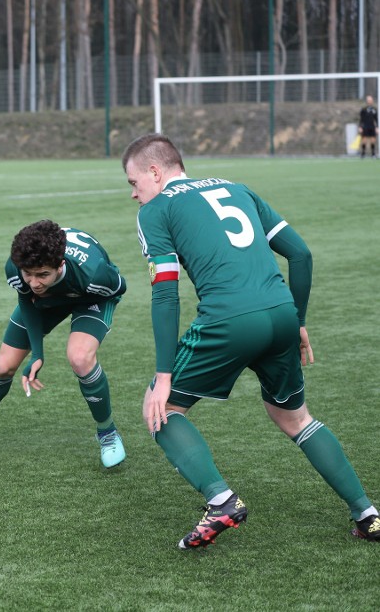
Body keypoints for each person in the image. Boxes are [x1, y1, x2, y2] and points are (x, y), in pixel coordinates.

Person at [122, 133, 379, 548]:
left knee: (161, 407)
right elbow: (300, 254)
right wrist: (298, 321)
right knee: (295, 418)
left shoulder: (157, 210)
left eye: (134, 183)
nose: (134, 195)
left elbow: (165, 292)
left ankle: (221, 500)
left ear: (155, 171)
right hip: (280, 313)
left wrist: (163, 373)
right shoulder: (237, 188)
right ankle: (367, 513)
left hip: (228, 320)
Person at [0, 220, 128, 467]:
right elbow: (27, 300)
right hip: (50, 298)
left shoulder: (95, 274)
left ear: (60, 264)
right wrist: (37, 353)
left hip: (90, 295)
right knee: (2, 367)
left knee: (80, 357)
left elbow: (118, 288)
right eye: (28, 274)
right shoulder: (17, 268)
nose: (33, 282)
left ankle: (107, 432)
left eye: (42, 274)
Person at [358, 95, 378, 159]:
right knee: (364, 140)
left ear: (372, 101)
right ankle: (363, 153)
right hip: (365, 126)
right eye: (368, 100)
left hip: (372, 127)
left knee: (373, 140)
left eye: (370, 100)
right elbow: (361, 119)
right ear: (367, 101)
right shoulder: (363, 109)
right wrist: (360, 127)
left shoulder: (375, 109)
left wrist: (377, 127)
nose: (369, 101)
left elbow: (376, 119)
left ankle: (373, 154)